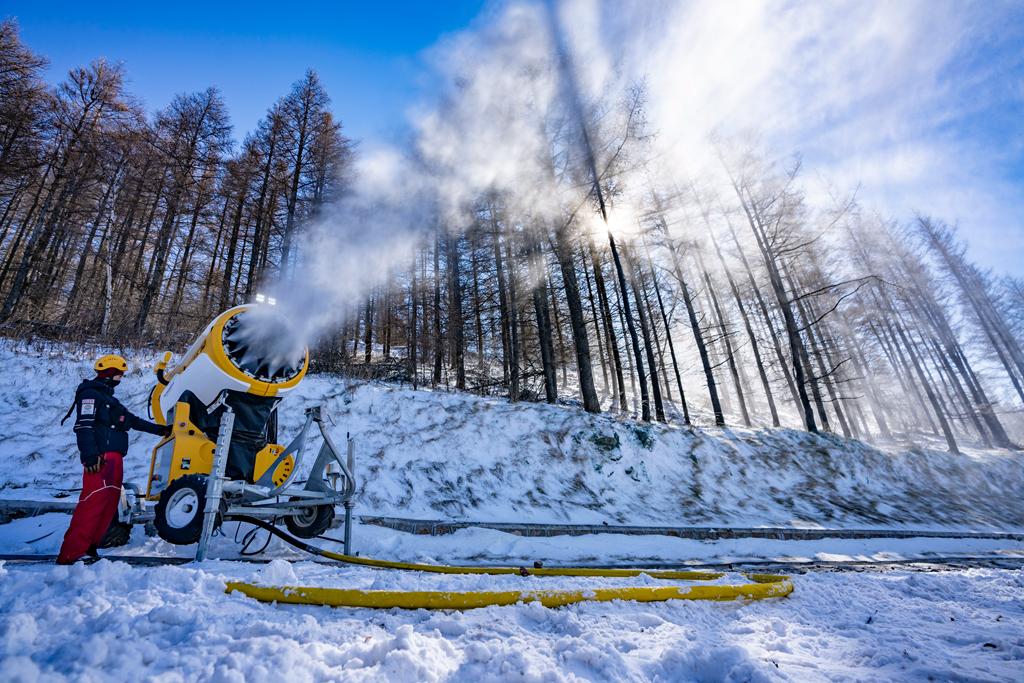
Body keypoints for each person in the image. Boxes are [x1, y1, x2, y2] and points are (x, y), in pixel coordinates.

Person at [57, 354, 170, 564]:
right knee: (92, 503)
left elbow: (132, 421)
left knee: (108, 506)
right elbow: (84, 426)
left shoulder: (110, 399)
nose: (121, 379)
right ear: (110, 374)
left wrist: (161, 430)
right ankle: (71, 553)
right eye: (119, 375)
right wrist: (89, 455)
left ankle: (90, 549)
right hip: (100, 459)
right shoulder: (90, 395)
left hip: (115, 459)